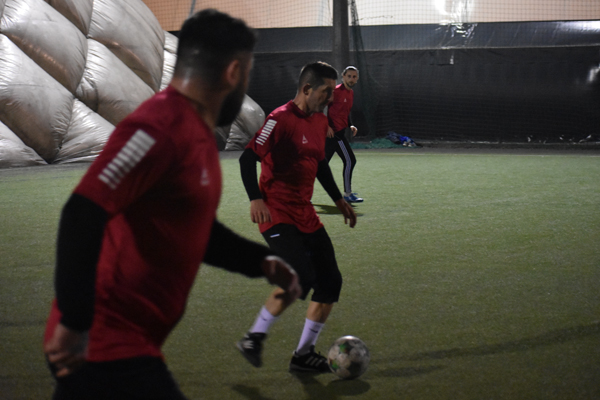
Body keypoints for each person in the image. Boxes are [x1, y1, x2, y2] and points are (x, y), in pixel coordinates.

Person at [43, 9, 302, 400]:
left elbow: (192, 227)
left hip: (125, 343)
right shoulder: (157, 128)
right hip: (105, 342)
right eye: (247, 73)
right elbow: (83, 211)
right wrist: (75, 321)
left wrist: (261, 262)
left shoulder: (196, 133)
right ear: (233, 72)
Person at [236, 61, 357, 373]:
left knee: (330, 282)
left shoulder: (320, 121)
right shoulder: (278, 119)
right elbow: (247, 158)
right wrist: (255, 198)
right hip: (276, 212)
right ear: (306, 89)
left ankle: (303, 355)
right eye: (326, 91)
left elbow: (319, 164)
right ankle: (253, 338)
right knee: (300, 277)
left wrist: (339, 200)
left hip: (305, 213)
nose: (331, 98)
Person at [325, 66, 363, 203]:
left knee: (319, 166)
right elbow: (319, 107)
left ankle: (300, 194)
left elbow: (344, 112)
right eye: (349, 76)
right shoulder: (335, 91)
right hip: (335, 135)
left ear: (357, 78)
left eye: (354, 76)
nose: (351, 79)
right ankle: (347, 194)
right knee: (350, 160)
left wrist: (350, 124)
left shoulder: (350, 93)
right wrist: (326, 126)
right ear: (343, 76)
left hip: (336, 135)